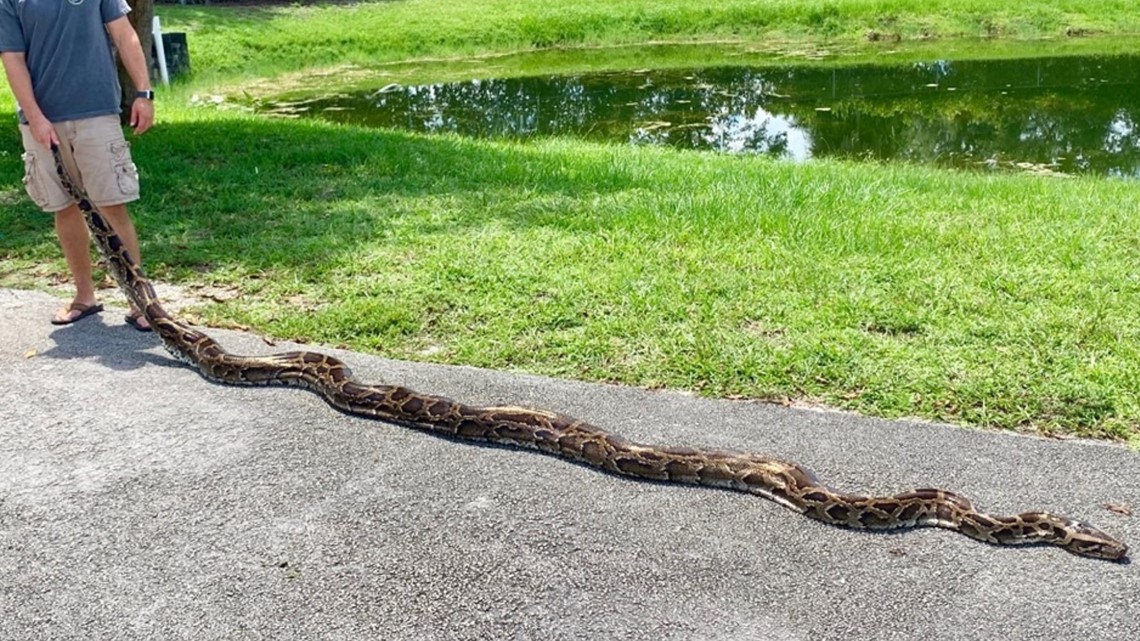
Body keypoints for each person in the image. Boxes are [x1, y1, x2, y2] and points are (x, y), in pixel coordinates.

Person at [0, 0, 155, 330]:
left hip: (97, 112)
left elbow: (124, 33)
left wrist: (144, 92)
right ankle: (84, 296)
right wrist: (36, 117)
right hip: (41, 121)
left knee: (112, 205)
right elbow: (12, 58)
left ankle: (140, 302)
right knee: (65, 207)